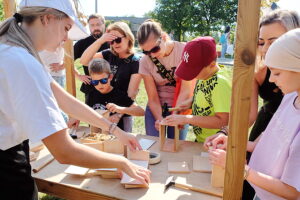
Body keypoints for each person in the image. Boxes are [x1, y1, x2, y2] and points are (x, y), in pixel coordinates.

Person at [0, 1, 150, 199]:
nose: (65, 39)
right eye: (66, 29)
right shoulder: (23, 62)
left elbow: (64, 99)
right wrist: (120, 162)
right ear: (46, 19)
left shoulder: (13, 51)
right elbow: (64, 151)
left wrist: (114, 129)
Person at [207, 10, 300, 200]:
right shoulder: (290, 97)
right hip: (263, 180)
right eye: (261, 42)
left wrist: (242, 169)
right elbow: (267, 133)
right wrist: (233, 140)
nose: (271, 80)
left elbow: (292, 190)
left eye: (273, 41)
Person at [163, 37, 231, 143]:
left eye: (194, 71)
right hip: (202, 141)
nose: (192, 75)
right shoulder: (205, 76)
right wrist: (190, 103)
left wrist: (187, 119)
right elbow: (206, 96)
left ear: (211, 65)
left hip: (216, 143)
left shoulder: (220, 84)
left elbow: (223, 120)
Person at [137, 19, 194, 139]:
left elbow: (186, 90)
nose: (151, 55)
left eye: (154, 49)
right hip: (156, 107)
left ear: (163, 37)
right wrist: (159, 119)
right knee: (154, 145)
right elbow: (152, 97)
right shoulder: (144, 61)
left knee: (176, 147)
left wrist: (175, 116)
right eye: (146, 52)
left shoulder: (184, 51)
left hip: (180, 105)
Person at [80, 21, 142, 132]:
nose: (114, 44)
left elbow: (131, 94)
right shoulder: (108, 54)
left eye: (118, 39)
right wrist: (100, 40)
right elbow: (84, 61)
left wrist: (118, 114)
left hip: (123, 111)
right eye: (111, 41)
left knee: (121, 145)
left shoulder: (135, 61)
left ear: (128, 37)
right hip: (103, 109)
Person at [87, 58, 144, 130]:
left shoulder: (118, 94)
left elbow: (141, 111)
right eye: (95, 82)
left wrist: (120, 109)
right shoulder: (92, 94)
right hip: (97, 136)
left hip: (117, 136)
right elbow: (85, 111)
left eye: (103, 80)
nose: (99, 85)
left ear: (110, 77)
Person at [73, 14, 109, 104]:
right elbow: (67, 60)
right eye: (92, 25)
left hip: (111, 86)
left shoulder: (111, 41)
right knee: (91, 116)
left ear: (104, 25)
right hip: (91, 88)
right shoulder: (82, 43)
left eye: (98, 24)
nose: (95, 27)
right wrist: (78, 76)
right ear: (88, 26)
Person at [39, 46, 68, 122]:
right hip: (44, 75)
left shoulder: (57, 38)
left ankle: (67, 123)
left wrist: (61, 66)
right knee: (48, 104)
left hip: (55, 76)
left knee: (54, 104)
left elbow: (71, 56)